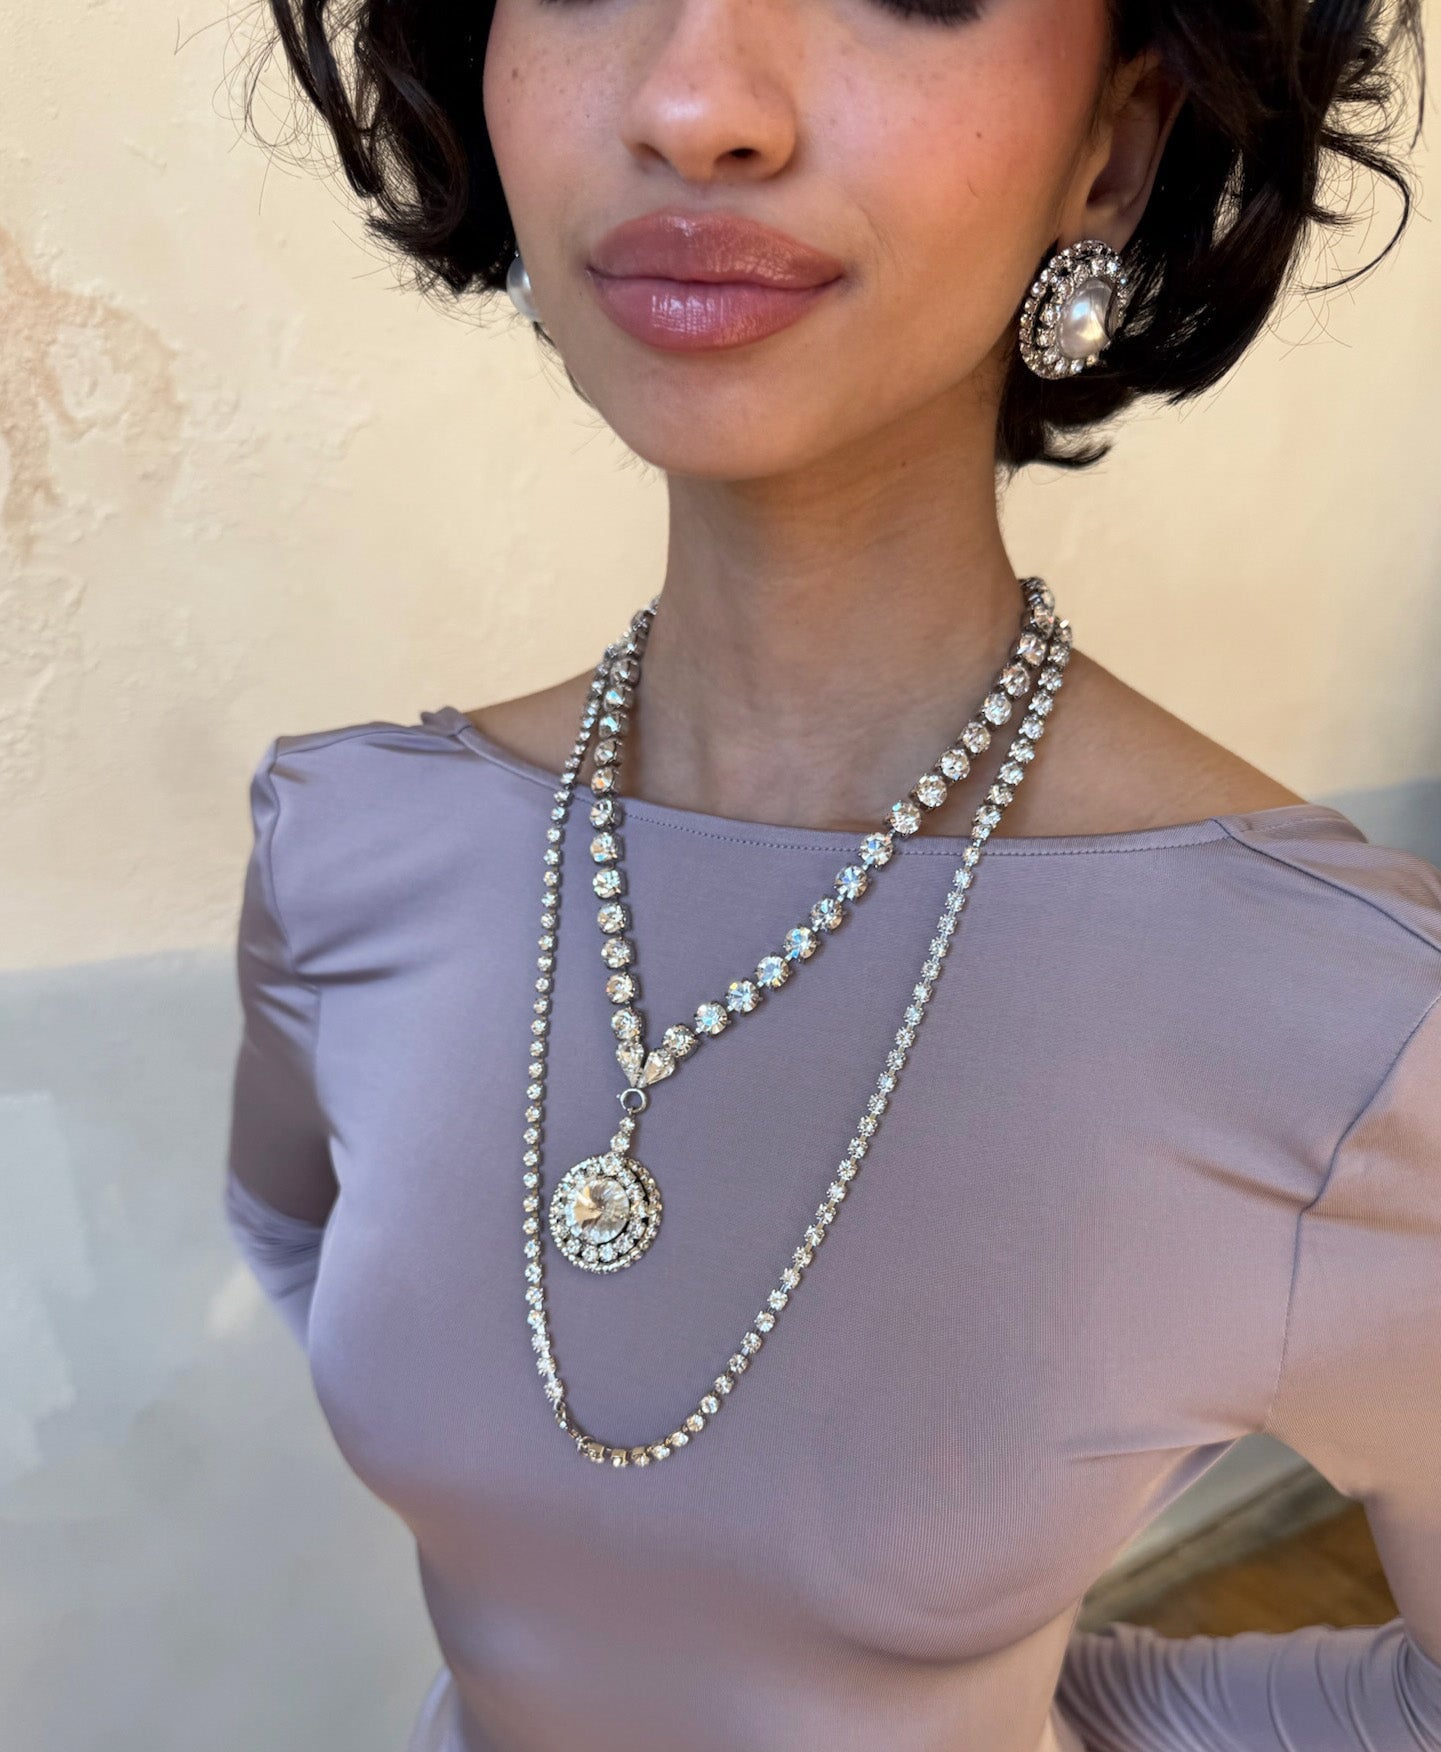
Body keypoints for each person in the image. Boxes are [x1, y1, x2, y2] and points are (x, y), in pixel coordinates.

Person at [223, 0, 1440, 1747]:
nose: (695, 101)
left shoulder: (1340, 1023)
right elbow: (291, 1230)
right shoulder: (343, 839)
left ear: (1109, 153)